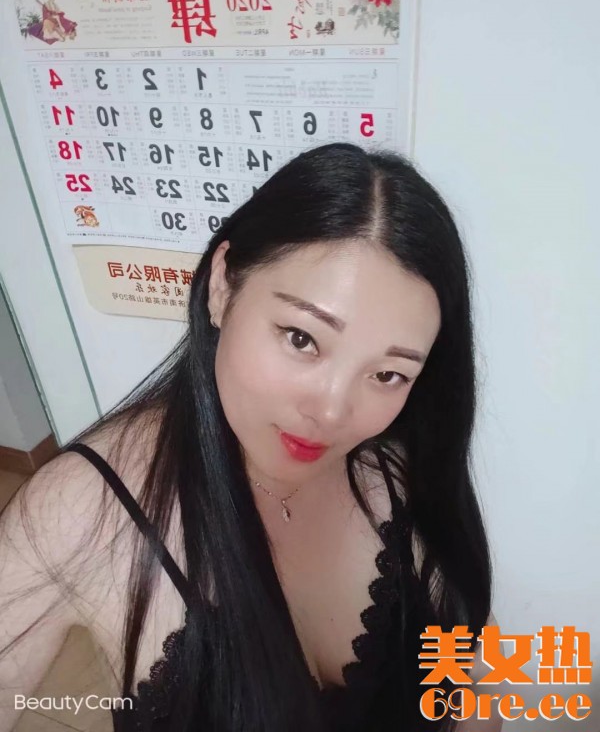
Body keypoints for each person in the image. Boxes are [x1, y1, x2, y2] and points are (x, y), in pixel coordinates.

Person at [0, 143, 499, 732]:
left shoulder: (396, 472)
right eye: (301, 338)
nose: (332, 411)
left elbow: (474, 675)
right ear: (222, 285)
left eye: (388, 374)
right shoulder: (82, 509)